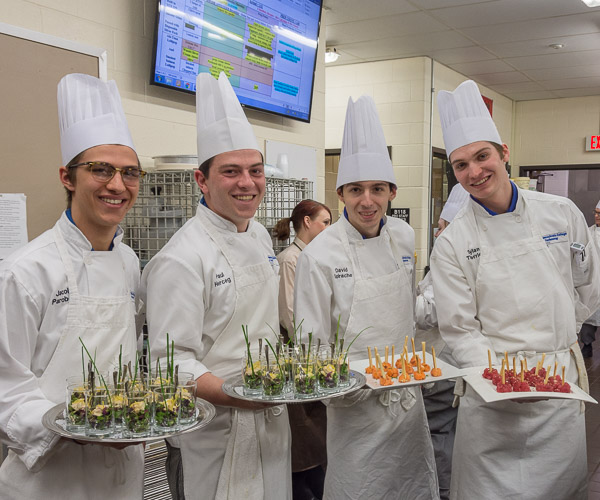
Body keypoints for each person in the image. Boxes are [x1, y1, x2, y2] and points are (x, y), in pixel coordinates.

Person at [431, 80, 600, 500]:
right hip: (492, 391)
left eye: (482, 156)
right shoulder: (453, 241)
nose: (474, 171)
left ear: (504, 153)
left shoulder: (559, 213)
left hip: (557, 383)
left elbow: (587, 284)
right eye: (461, 164)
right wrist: (506, 378)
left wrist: (558, 339)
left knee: (561, 489)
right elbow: (458, 329)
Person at [142, 72, 291, 500]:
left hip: (268, 417)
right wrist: (239, 395)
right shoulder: (181, 258)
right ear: (201, 180)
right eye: (231, 172)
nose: (247, 182)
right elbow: (171, 365)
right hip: (210, 431)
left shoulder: (260, 235)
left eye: (255, 171)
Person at [0, 73, 145, 498]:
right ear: (67, 177)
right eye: (100, 170)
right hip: (49, 476)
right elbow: (5, 386)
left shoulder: (129, 261)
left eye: (130, 173)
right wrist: (80, 429)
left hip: (123, 469)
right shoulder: (25, 271)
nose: (117, 185)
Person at [294, 95, 439, 500]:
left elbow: (406, 310)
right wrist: (348, 388)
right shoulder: (320, 256)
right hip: (354, 405)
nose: (367, 201)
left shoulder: (403, 237)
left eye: (377, 188)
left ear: (392, 190)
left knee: (410, 484)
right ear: (340, 193)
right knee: (360, 487)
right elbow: (311, 345)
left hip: (407, 396)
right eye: (356, 189)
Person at [273, 200, 332, 500]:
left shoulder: (317, 257)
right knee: (304, 447)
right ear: (306, 222)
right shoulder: (290, 259)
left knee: (318, 442)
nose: (328, 229)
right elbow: (291, 316)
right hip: (299, 362)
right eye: (324, 222)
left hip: (317, 358)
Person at [579, 201, 600, 357]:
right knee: (589, 315)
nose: (596, 216)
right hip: (593, 281)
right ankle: (587, 344)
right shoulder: (588, 232)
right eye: (595, 212)